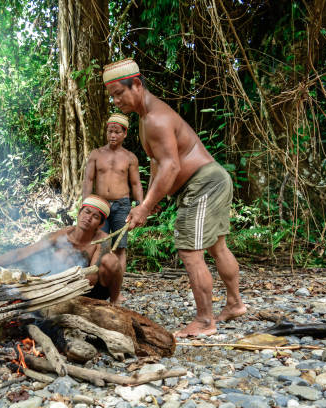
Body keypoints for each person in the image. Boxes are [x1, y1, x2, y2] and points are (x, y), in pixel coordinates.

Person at [103, 58, 246, 336]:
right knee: (217, 246)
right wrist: (150, 202)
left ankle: (205, 321)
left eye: (119, 94)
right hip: (210, 181)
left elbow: (172, 166)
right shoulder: (146, 118)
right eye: (113, 97)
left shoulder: (155, 118)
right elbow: (158, 164)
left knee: (190, 251)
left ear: (136, 84)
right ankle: (235, 304)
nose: (116, 101)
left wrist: (145, 207)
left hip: (203, 183)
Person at [0, 195, 123, 304]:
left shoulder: (103, 239)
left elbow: (91, 278)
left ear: (100, 224)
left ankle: (115, 299)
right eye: (86, 212)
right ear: (79, 213)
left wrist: (59, 290)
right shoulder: (59, 236)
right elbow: (24, 252)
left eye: (95, 217)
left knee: (111, 260)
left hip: (92, 290)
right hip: (59, 285)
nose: (88, 218)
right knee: (43, 258)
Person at [82, 112, 144, 281]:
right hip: (99, 207)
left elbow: (136, 184)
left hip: (122, 206)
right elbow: (88, 180)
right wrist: (84, 206)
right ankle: (95, 284)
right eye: (110, 131)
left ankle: (116, 288)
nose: (113, 135)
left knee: (119, 248)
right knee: (97, 245)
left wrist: (140, 206)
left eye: (117, 132)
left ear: (124, 134)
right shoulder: (96, 154)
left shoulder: (130, 157)